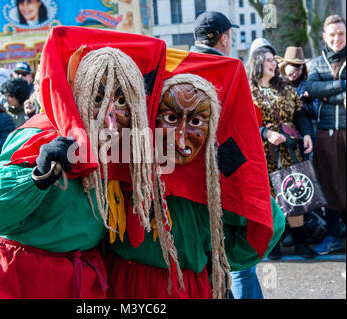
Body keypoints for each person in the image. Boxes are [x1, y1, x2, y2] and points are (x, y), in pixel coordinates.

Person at [0, 26, 169, 299]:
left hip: (78, 279)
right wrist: (36, 176)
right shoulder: (43, 133)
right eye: (98, 98)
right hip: (16, 277)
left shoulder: (124, 147)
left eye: (122, 102)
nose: (110, 117)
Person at [106, 49, 285, 299]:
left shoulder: (215, 174)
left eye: (196, 122)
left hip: (185, 285)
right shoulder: (125, 158)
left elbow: (267, 222)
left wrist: (219, 258)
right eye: (170, 117)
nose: (180, 136)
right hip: (125, 283)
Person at [189, 13, 265, 299]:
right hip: (221, 175)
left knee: (198, 254)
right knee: (230, 251)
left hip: (183, 174)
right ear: (224, 37)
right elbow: (242, 128)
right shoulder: (231, 67)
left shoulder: (178, 65)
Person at [247, 46, 316, 260]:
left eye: (274, 60)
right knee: (270, 199)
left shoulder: (285, 87)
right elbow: (243, 123)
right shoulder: (247, 90)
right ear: (258, 62)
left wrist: (306, 133)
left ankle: (301, 242)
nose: (274, 64)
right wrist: (265, 132)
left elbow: (300, 115)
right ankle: (273, 245)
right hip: (262, 152)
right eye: (268, 60)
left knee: (294, 195)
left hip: (289, 149)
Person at [306, 14, 346, 255]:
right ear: (324, 37)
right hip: (325, 133)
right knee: (330, 185)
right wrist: (343, 87)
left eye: (341, 34)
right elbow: (311, 88)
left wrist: (326, 95)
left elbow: (319, 91)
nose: (337, 39)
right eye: (332, 34)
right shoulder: (317, 63)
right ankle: (332, 235)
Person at [276, 46, 318, 161]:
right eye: (292, 71)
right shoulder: (277, 84)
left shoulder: (306, 84)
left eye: (298, 70)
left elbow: (315, 112)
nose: (294, 74)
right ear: (284, 67)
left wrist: (308, 101)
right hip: (283, 133)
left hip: (306, 132)